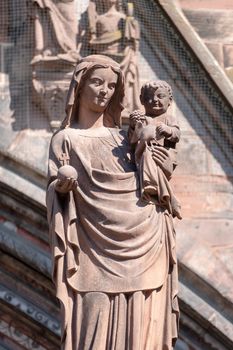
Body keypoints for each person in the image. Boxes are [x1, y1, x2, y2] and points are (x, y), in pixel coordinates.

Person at [46, 55, 179, 350]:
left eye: (111, 85)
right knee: (93, 327)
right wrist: (62, 187)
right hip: (93, 249)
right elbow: (55, 190)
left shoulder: (125, 139)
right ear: (79, 87)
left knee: (144, 334)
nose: (104, 91)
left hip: (146, 240)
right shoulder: (66, 139)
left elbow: (158, 176)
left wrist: (155, 153)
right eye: (97, 82)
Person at [128, 80, 182, 219]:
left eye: (160, 96)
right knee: (147, 156)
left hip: (164, 154)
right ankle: (155, 188)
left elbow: (176, 134)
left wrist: (168, 130)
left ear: (169, 101)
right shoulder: (143, 119)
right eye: (149, 97)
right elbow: (132, 141)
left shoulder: (168, 118)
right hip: (145, 153)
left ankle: (167, 195)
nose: (154, 100)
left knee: (156, 167)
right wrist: (134, 126)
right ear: (141, 100)